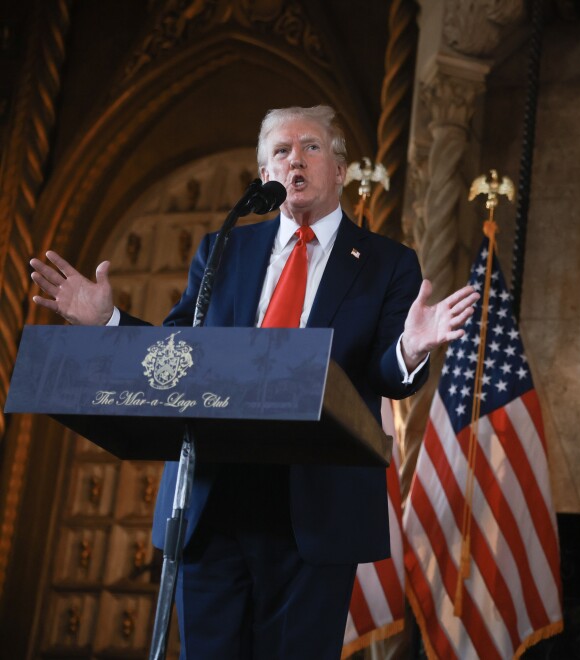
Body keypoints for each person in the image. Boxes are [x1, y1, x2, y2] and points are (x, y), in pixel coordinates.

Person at [29, 105, 478, 659]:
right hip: (213, 499)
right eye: (281, 152)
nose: (295, 160)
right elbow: (177, 355)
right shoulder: (224, 249)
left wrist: (409, 347)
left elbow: (386, 373)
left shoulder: (387, 263)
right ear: (265, 175)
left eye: (311, 147)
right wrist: (109, 323)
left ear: (339, 169)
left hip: (314, 510)